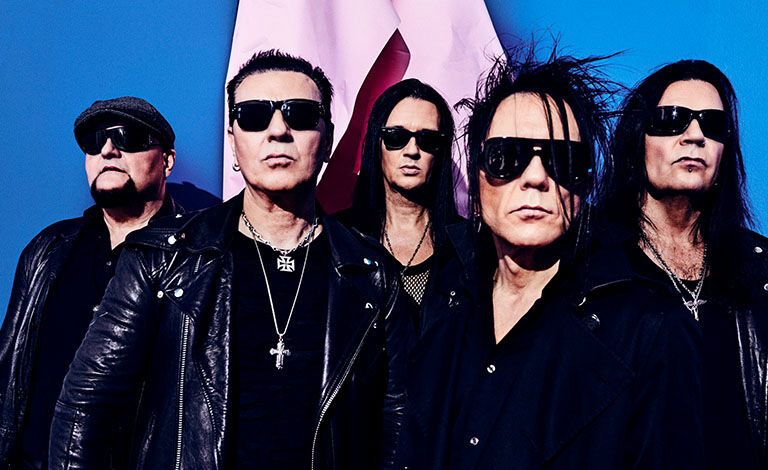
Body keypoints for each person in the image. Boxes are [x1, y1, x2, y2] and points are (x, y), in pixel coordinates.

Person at [48, 50, 406, 469]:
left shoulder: (373, 274)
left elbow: (398, 429)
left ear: (327, 141)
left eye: (301, 115)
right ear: (233, 143)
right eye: (254, 116)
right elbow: (86, 408)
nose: (278, 131)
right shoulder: (161, 259)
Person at [395, 50, 703, 469]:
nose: (536, 178)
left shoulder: (652, 329)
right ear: (478, 176)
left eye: (563, 161)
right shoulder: (444, 304)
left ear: (586, 183)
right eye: (506, 157)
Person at [601, 59, 767, 469]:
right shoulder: (591, 268)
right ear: (637, 140)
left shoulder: (760, 271)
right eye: (672, 120)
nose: (695, 136)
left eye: (713, 125)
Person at [0, 96, 182, 469]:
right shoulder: (48, 249)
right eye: (93, 142)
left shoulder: (197, 258)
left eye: (128, 137)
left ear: (167, 160)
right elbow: (9, 364)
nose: (108, 150)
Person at [340, 78, 464, 337]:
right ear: (376, 143)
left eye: (428, 139)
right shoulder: (338, 237)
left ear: (441, 151)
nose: (412, 150)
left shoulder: (469, 247)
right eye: (396, 137)